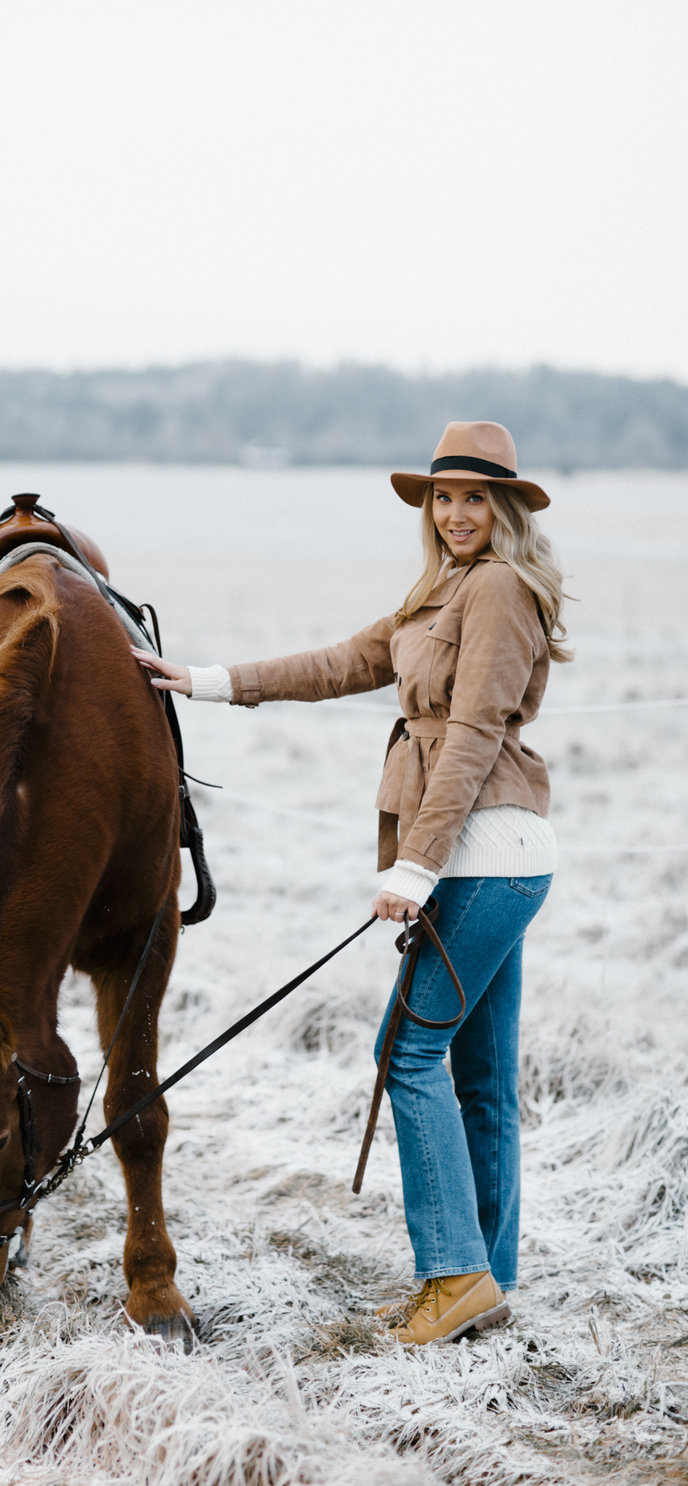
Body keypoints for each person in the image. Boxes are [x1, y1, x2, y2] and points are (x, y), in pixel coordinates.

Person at [132, 420, 571, 1346]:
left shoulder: (495, 588)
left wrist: (418, 866)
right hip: (492, 857)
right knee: (481, 1078)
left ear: (505, 510)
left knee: (406, 1056)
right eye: (442, 498)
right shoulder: (437, 594)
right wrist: (207, 682)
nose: (455, 514)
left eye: (473, 499)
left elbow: (475, 735)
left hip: (482, 855)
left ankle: (452, 1275)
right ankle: (484, 1277)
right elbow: (337, 665)